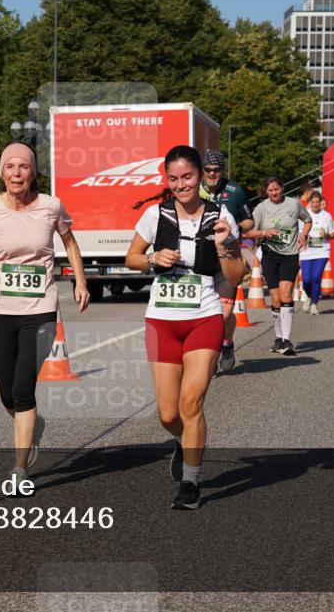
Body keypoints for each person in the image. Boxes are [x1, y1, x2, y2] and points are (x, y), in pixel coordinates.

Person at [0, 143, 91, 487]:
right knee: (6, 392)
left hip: (41, 309)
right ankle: (33, 424)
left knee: (22, 389)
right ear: (2, 173)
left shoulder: (51, 206)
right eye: (10, 167)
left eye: (23, 167)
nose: (16, 173)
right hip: (0, 308)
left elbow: (71, 243)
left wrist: (80, 281)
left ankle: (20, 469)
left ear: (33, 172)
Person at [125, 145, 245, 510]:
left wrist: (224, 247)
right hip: (162, 320)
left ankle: (191, 483)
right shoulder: (154, 214)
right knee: (167, 414)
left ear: (200, 177)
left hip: (204, 316)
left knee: (191, 402)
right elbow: (130, 258)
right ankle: (182, 442)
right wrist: (151, 259)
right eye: (173, 179)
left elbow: (237, 275)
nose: (181, 185)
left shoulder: (220, 215)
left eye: (187, 177)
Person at [199, 149, 254, 374]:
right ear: (202, 170)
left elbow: (249, 221)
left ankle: (226, 343)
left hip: (228, 259)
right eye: (208, 170)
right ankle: (208, 354)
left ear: (222, 170)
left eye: (217, 170)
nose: (212, 174)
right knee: (204, 312)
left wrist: (235, 228)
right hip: (201, 260)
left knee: (223, 314)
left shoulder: (235, 191)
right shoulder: (194, 190)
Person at [245, 176, 312, 356]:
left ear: (283, 188)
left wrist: (303, 236)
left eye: (277, 189)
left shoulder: (294, 204)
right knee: (275, 300)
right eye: (270, 190)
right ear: (266, 192)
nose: (274, 192)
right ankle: (278, 337)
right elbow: (249, 231)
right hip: (270, 255)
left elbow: (308, 220)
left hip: (290, 255)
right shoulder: (261, 208)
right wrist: (265, 232)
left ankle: (286, 339)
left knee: (285, 293)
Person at [298, 191, 334, 315]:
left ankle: (314, 304)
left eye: (317, 202)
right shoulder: (304, 215)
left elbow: (333, 234)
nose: (315, 204)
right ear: (309, 203)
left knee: (316, 277)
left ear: (321, 203)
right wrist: (304, 235)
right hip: (306, 252)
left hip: (322, 251)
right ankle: (309, 296)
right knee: (307, 280)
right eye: (313, 202)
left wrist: (326, 234)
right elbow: (298, 232)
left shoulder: (327, 216)